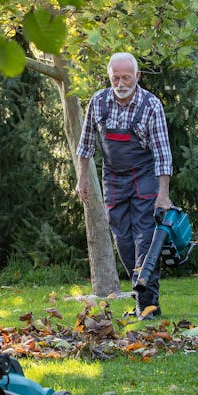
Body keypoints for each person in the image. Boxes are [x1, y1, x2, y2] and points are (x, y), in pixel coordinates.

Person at [75, 52, 173, 319]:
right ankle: (145, 299)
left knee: (144, 238)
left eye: (126, 77)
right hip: (114, 178)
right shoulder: (98, 102)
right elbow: (85, 145)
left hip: (145, 177)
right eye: (115, 78)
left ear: (137, 77)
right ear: (109, 77)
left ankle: (147, 306)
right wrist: (82, 177)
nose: (120, 83)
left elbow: (163, 153)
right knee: (123, 241)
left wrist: (163, 195)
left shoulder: (151, 105)